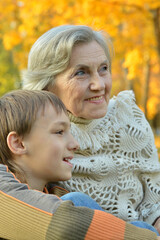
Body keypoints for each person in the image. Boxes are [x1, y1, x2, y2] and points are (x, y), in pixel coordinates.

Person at [21, 25, 160, 232]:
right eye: (81, 73)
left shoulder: (129, 118)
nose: (99, 84)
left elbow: (154, 204)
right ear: (47, 86)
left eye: (103, 69)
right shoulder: (33, 133)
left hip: (144, 234)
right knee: (75, 202)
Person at [0, 89, 159, 240]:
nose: (75, 144)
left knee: (138, 226)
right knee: (76, 202)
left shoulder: (54, 192)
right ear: (19, 143)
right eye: (59, 132)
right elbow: (65, 225)